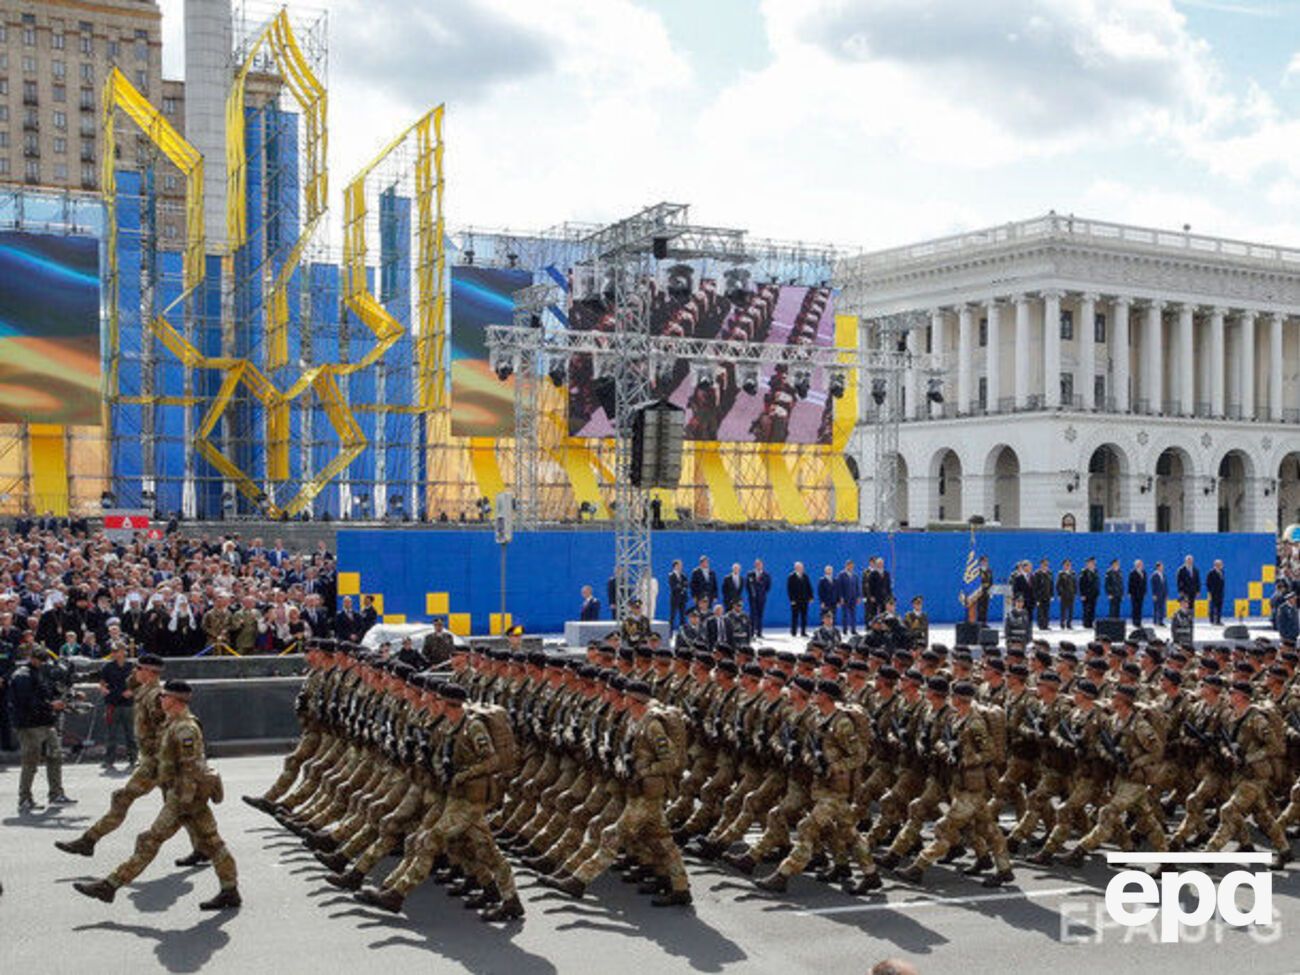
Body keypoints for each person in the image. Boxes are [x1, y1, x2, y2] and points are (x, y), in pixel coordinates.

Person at [72, 679, 242, 910]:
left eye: (164, 696)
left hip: (184, 798)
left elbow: (191, 768)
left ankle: (109, 885)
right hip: (186, 797)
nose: (160, 699)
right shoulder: (172, 723)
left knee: (150, 841)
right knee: (213, 843)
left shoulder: (185, 728)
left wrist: (182, 802)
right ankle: (230, 891)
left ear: (176, 700)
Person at [10, 647, 75, 811]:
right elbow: (26, 701)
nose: (42, 662)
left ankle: (56, 794)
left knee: (55, 756)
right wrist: (50, 705)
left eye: (44, 659)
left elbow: (47, 691)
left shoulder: (39, 672)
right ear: (31, 657)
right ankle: (25, 799)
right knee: (30, 761)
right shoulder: (22, 675)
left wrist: (71, 696)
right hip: (29, 725)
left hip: (45, 722)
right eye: (39, 659)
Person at [98, 642, 137, 769]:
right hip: (112, 704)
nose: (114, 653)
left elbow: (140, 683)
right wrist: (103, 689)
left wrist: (132, 691)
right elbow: (102, 683)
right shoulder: (107, 667)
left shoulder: (132, 666)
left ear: (123, 652)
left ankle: (133, 758)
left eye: (117, 651)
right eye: (113, 651)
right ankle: (109, 760)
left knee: (130, 733)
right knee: (111, 734)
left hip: (128, 704)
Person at [745, 559, 772, 639]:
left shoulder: (766, 575)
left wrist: (761, 593)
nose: (758, 566)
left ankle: (759, 633)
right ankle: (752, 632)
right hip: (752, 598)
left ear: (762, 565)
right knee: (752, 615)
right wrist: (752, 594)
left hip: (761, 598)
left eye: (760, 564)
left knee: (760, 615)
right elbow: (747, 586)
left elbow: (768, 587)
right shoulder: (750, 574)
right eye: (757, 564)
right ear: (755, 565)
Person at [786, 561, 813, 637]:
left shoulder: (805, 576)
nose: (801, 569)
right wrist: (792, 600)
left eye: (802, 567)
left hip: (805, 600)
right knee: (795, 617)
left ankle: (803, 632)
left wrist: (811, 597)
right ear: (796, 568)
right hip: (795, 600)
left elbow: (809, 587)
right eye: (799, 567)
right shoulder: (791, 576)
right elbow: (789, 589)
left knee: (804, 617)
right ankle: (793, 632)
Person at [836, 559, 859, 635]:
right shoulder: (841, 574)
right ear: (846, 565)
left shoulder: (855, 575)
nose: (851, 567)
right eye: (849, 565)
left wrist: (858, 597)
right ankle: (845, 630)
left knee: (853, 615)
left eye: (852, 565)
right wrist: (840, 597)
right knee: (845, 615)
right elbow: (839, 587)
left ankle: (853, 630)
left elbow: (857, 587)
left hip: (853, 598)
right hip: (845, 598)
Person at [667, 559, 689, 632]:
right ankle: (669, 632)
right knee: (672, 616)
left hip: (682, 598)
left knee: (682, 616)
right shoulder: (671, 575)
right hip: (675, 598)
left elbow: (686, 584)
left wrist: (682, 587)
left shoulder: (683, 575)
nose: (681, 567)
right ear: (675, 566)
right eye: (679, 565)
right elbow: (674, 586)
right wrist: (681, 587)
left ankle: (683, 632)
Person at [1031, 559, 1054, 632]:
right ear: (1041, 565)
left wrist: (1052, 595)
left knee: (1046, 611)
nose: (1046, 566)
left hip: (1047, 596)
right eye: (1044, 564)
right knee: (1040, 612)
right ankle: (1041, 625)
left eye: (1047, 564)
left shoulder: (1049, 573)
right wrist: (1036, 598)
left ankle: (1046, 625)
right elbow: (1035, 587)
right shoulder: (1037, 574)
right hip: (1040, 597)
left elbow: (1051, 585)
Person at [1079, 556, 1100, 628]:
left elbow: (1097, 583)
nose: (1093, 564)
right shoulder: (1084, 572)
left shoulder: (1096, 571)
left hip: (1094, 594)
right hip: (1086, 594)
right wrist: (1082, 594)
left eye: (1094, 563)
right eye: (1091, 563)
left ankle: (1091, 622)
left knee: (1092, 609)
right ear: (1087, 564)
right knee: (1086, 609)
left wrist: (1097, 592)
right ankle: (1086, 623)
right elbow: (1081, 584)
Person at [1056, 558, 1077, 629]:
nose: (1068, 566)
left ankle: (1069, 624)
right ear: (1063, 565)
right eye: (1066, 565)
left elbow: (1075, 584)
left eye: (1069, 565)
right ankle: (1062, 623)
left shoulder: (1073, 573)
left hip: (1071, 595)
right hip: (1063, 595)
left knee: (1071, 610)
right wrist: (1059, 594)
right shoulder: (1061, 574)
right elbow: (1058, 585)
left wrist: (1075, 593)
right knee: (1063, 610)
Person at [1127, 559, 1147, 628]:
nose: (1141, 565)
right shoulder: (1132, 573)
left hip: (1141, 594)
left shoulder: (1144, 573)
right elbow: (1130, 584)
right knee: (1135, 608)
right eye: (1139, 564)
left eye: (1141, 564)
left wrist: (1145, 591)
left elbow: (1145, 583)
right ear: (1136, 565)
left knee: (1140, 608)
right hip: (1134, 594)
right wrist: (1129, 592)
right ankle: (1135, 622)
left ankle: (1139, 621)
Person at [1207, 559, 1226, 625]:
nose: (1220, 566)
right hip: (1213, 593)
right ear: (1215, 565)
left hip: (1220, 593)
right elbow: (1208, 583)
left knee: (1219, 607)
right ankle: (1212, 620)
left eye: (1221, 564)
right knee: (1212, 607)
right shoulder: (1211, 573)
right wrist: (1210, 592)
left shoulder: (1222, 572)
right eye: (1218, 565)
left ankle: (1218, 620)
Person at [1150, 561, 1168, 627]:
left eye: (1162, 566)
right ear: (1157, 567)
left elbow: (1165, 585)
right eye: (1161, 566)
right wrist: (1154, 594)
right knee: (1156, 608)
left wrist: (1166, 594)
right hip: (1157, 594)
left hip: (1163, 594)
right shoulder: (1154, 575)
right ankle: (1155, 621)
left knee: (1162, 608)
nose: (1162, 567)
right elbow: (1153, 586)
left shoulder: (1163, 575)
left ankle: (1161, 621)